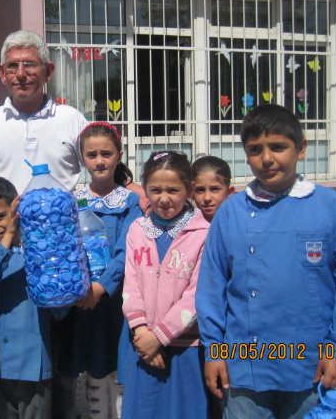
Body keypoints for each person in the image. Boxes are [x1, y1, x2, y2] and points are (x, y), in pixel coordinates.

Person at [196, 104, 336, 419]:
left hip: (313, 367)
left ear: (300, 148)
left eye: (278, 147)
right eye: (255, 149)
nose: (266, 158)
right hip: (243, 369)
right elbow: (211, 286)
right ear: (245, 155)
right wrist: (214, 352)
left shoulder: (329, 206)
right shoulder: (231, 212)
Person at [57, 122, 143, 419]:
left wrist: (102, 287)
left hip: (118, 302)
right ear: (82, 158)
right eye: (92, 154)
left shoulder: (131, 202)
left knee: (119, 367)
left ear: (119, 155)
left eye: (106, 153)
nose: (100, 160)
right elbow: (63, 248)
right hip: (83, 302)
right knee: (93, 370)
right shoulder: (71, 200)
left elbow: (127, 251)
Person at [0, 177, 68, 419]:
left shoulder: (40, 247)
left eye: (0, 217)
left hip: (33, 360)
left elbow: (60, 308)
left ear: (16, 210)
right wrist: (8, 238)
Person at [121, 151, 210, 419]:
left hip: (185, 348)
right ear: (145, 190)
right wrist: (141, 332)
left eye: (173, 190)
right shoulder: (137, 229)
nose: (164, 198)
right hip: (143, 347)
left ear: (189, 189)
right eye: (155, 190)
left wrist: (159, 336)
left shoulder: (204, 233)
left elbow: (198, 295)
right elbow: (130, 285)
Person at [0, 30, 88, 193]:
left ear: (48, 72)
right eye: (12, 66)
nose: (20, 74)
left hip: (59, 217)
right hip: (4, 218)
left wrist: (134, 191)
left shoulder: (72, 119)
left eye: (29, 65)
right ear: (2, 74)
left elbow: (102, 166)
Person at [190, 156, 235, 223]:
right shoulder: (184, 228)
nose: (207, 198)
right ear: (191, 193)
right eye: (200, 190)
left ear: (229, 192)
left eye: (215, 189)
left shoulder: (239, 224)